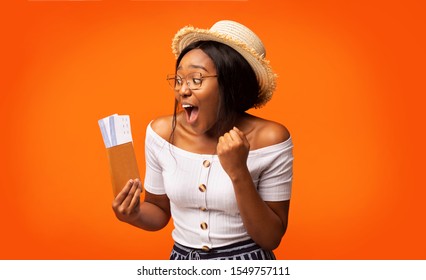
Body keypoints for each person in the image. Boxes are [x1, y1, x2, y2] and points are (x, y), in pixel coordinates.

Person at [112, 20, 294, 260]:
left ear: (231, 84)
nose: (183, 90)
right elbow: (157, 210)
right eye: (179, 80)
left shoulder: (270, 139)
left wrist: (238, 171)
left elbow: (271, 237)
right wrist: (133, 214)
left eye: (196, 80)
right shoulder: (162, 133)